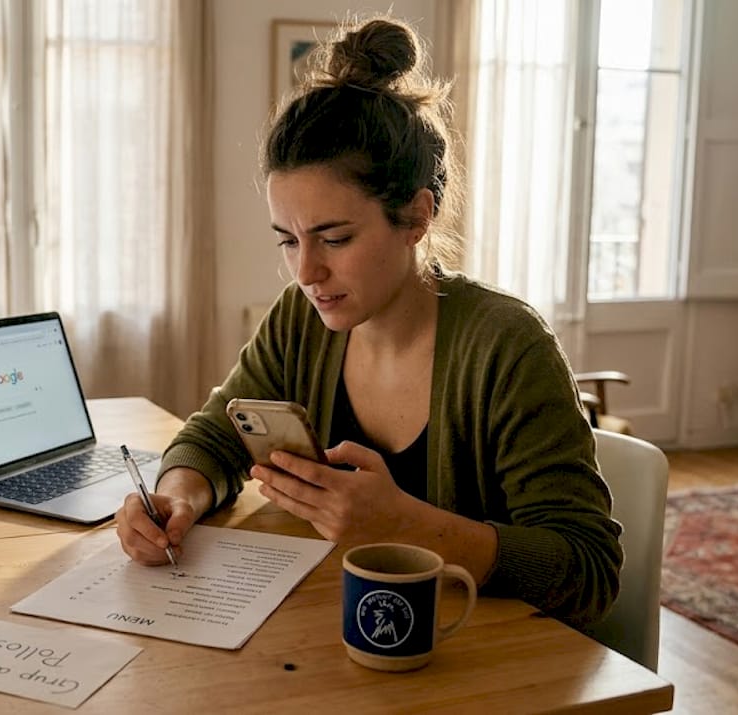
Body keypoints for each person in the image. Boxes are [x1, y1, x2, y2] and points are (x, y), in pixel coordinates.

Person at [115, 15, 622, 627]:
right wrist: (176, 497)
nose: (306, 271)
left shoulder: (507, 349)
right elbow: (215, 436)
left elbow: (588, 570)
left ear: (416, 217)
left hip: (485, 666)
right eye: (288, 240)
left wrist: (404, 524)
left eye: (334, 237)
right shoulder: (299, 322)